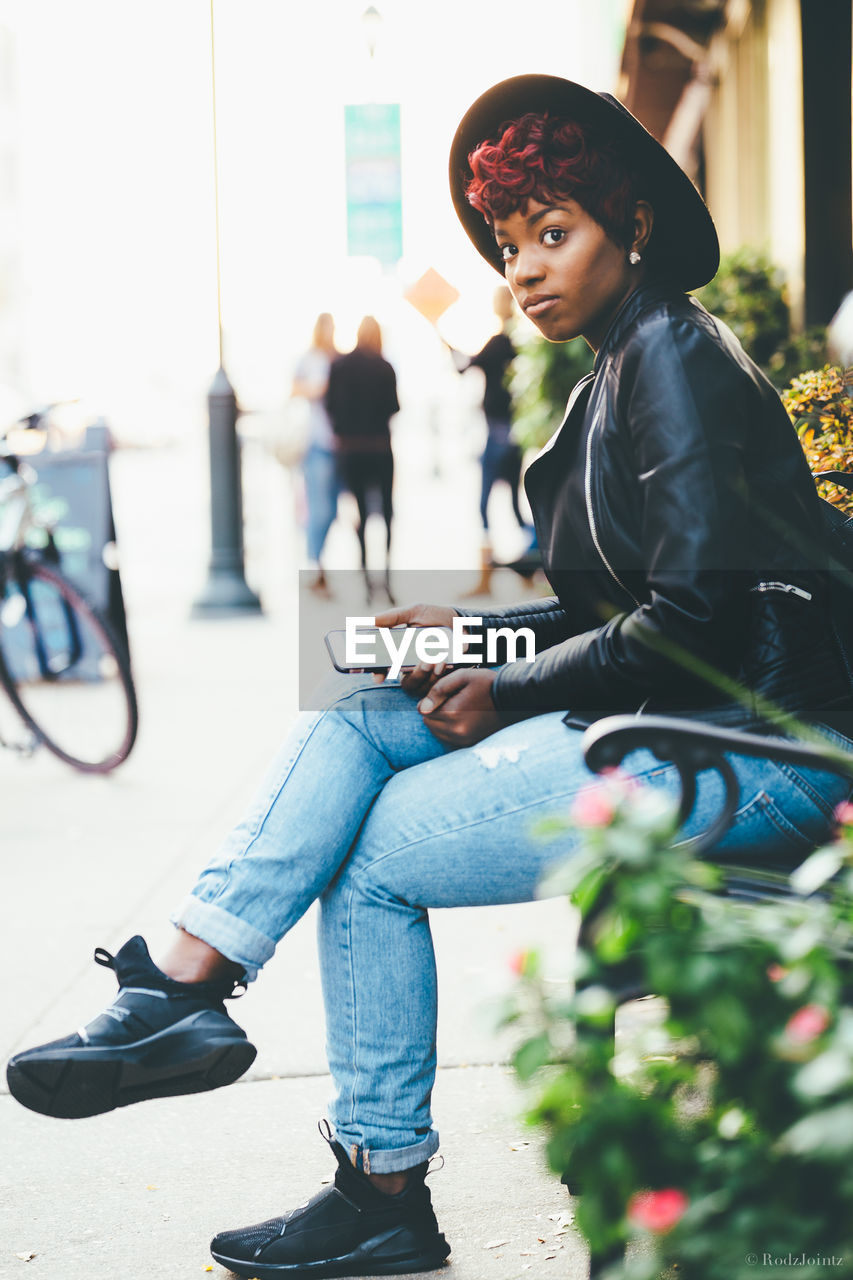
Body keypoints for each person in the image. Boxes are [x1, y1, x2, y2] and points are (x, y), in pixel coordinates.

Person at [8, 74, 853, 1280]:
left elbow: (696, 622)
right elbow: (610, 605)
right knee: (357, 704)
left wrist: (502, 685)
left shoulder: (668, 352)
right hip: (687, 717)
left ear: (635, 227)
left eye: (553, 234)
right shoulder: (622, 364)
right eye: (511, 247)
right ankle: (193, 985)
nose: (525, 268)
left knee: (376, 849)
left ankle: (368, 1171)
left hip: (754, 749)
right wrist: (462, 632)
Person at [445, 286, 528, 593]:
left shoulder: (497, 342)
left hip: (496, 433)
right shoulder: (520, 341)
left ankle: (488, 577)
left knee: (484, 506)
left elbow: (465, 367)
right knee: (517, 507)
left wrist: (445, 343)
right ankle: (532, 566)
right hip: (516, 432)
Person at [325, 315, 399, 603]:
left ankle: (367, 580)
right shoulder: (385, 367)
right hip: (380, 448)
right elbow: (394, 407)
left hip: (351, 450)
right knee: (388, 515)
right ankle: (387, 580)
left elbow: (330, 406)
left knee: (362, 516)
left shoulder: (339, 366)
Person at [292, 312, 340, 595]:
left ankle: (318, 563)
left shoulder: (337, 358)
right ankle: (315, 566)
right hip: (316, 442)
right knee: (318, 508)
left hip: (337, 442)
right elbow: (294, 389)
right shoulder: (309, 360)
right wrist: (319, 388)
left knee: (332, 510)